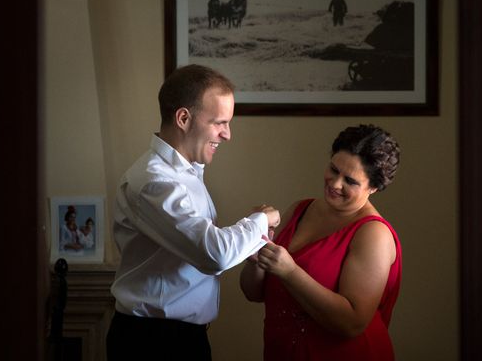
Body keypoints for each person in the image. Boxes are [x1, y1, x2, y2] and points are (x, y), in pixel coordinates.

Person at [106, 64, 281, 361]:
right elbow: (214, 255)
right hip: (152, 344)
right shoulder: (155, 182)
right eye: (220, 123)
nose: (227, 135)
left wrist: (250, 241)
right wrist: (262, 220)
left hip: (180, 339)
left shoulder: (188, 173)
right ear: (184, 118)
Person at [240, 124, 402, 360]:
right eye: (333, 169)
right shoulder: (300, 209)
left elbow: (353, 323)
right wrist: (254, 253)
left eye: (350, 181)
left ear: (374, 187)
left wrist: (290, 272)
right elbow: (253, 293)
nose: (335, 184)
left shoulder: (373, 234)